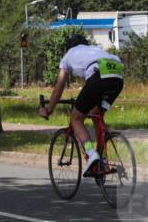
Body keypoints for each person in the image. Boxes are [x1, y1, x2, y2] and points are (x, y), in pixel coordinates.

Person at [39, 33, 125, 177]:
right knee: (97, 113)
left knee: (76, 118)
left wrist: (48, 109)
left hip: (98, 77)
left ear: (68, 48)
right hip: (117, 78)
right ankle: (102, 159)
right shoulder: (93, 49)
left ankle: (92, 154)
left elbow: (58, 89)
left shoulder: (68, 55)